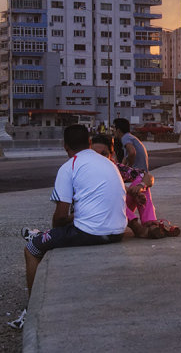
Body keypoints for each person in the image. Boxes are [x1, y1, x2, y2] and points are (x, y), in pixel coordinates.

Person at [20, 125, 127, 324]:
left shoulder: (69, 166)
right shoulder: (106, 162)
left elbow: (60, 217)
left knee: (32, 248)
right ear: (89, 143)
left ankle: (32, 307)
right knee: (59, 232)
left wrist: (55, 231)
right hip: (118, 230)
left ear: (65, 146)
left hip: (91, 233)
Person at [90, 135, 177, 239]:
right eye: (95, 154)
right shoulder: (87, 170)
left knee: (140, 180)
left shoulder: (116, 167)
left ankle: (150, 223)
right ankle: (138, 228)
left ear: (111, 154)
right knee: (114, 195)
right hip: (100, 212)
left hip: (120, 210)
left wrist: (140, 187)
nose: (100, 158)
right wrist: (128, 191)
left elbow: (147, 176)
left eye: (104, 154)